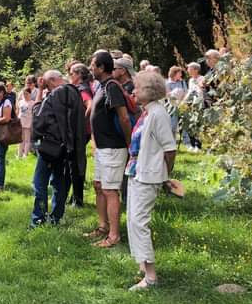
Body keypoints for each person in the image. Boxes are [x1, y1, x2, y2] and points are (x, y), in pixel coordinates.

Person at [126, 71, 177, 290]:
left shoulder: (158, 114)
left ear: (148, 91)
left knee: (139, 221)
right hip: (137, 171)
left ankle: (151, 276)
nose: (133, 91)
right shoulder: (147, 112)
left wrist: (166, 175)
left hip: (149, 175)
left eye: (137, 88)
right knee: (132, 219)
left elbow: (170, 148)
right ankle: (141, 264)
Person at [86, 51, 132, 248]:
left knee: (110, 190)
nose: (90, 68)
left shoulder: (112, 86)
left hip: (113, 147)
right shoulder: (100, 86)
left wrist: (131, 146)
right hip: (102, 148)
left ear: (102, 68)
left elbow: (123, 117)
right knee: (98, 185)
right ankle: (103, 226)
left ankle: (114, 236)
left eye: (93, 65)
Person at [30, 70, 85, 227]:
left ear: (53, 81)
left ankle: (38, 220)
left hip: (50, 147)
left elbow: (39, 119)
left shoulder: (55, 94)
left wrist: (40, 91)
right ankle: (56, 218)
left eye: (47, 85)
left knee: (39, 182)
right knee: (59, 182)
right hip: (66, 148)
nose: (47, 89)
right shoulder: (75, 93)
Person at [67, 63, 93, 207]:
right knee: (75, 164)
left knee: (76, 164)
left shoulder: (82, 89)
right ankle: (75, 197)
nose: (70, 76)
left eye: (71, 74)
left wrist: (82, 120)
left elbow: (90, 104)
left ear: (78, 75)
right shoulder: (83, 87)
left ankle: (78, 200)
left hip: (80, 133)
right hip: (82, 132)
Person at [184, 62, 205, 152]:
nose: (188, 70)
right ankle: (192, 145)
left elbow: (200, 91)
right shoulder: (190, 80)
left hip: (199, 104)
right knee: (190, 124)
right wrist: (183, 102)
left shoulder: (202, 78)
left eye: (189, 69)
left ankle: (198, 145)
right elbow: (189, 92)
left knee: (198, 125)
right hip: (190, 104)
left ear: (196, 70)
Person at [16, 88, 34, 159]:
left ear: (30, 94)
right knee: (20, 139)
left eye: (26, 94)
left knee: (27, 140)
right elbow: (18, 111)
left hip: (28, 123)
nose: (25, 95)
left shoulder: (33, 103)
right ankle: (19, 154)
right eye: (24, 94)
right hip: (21, 122)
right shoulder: (20, 102)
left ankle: (25, 155)